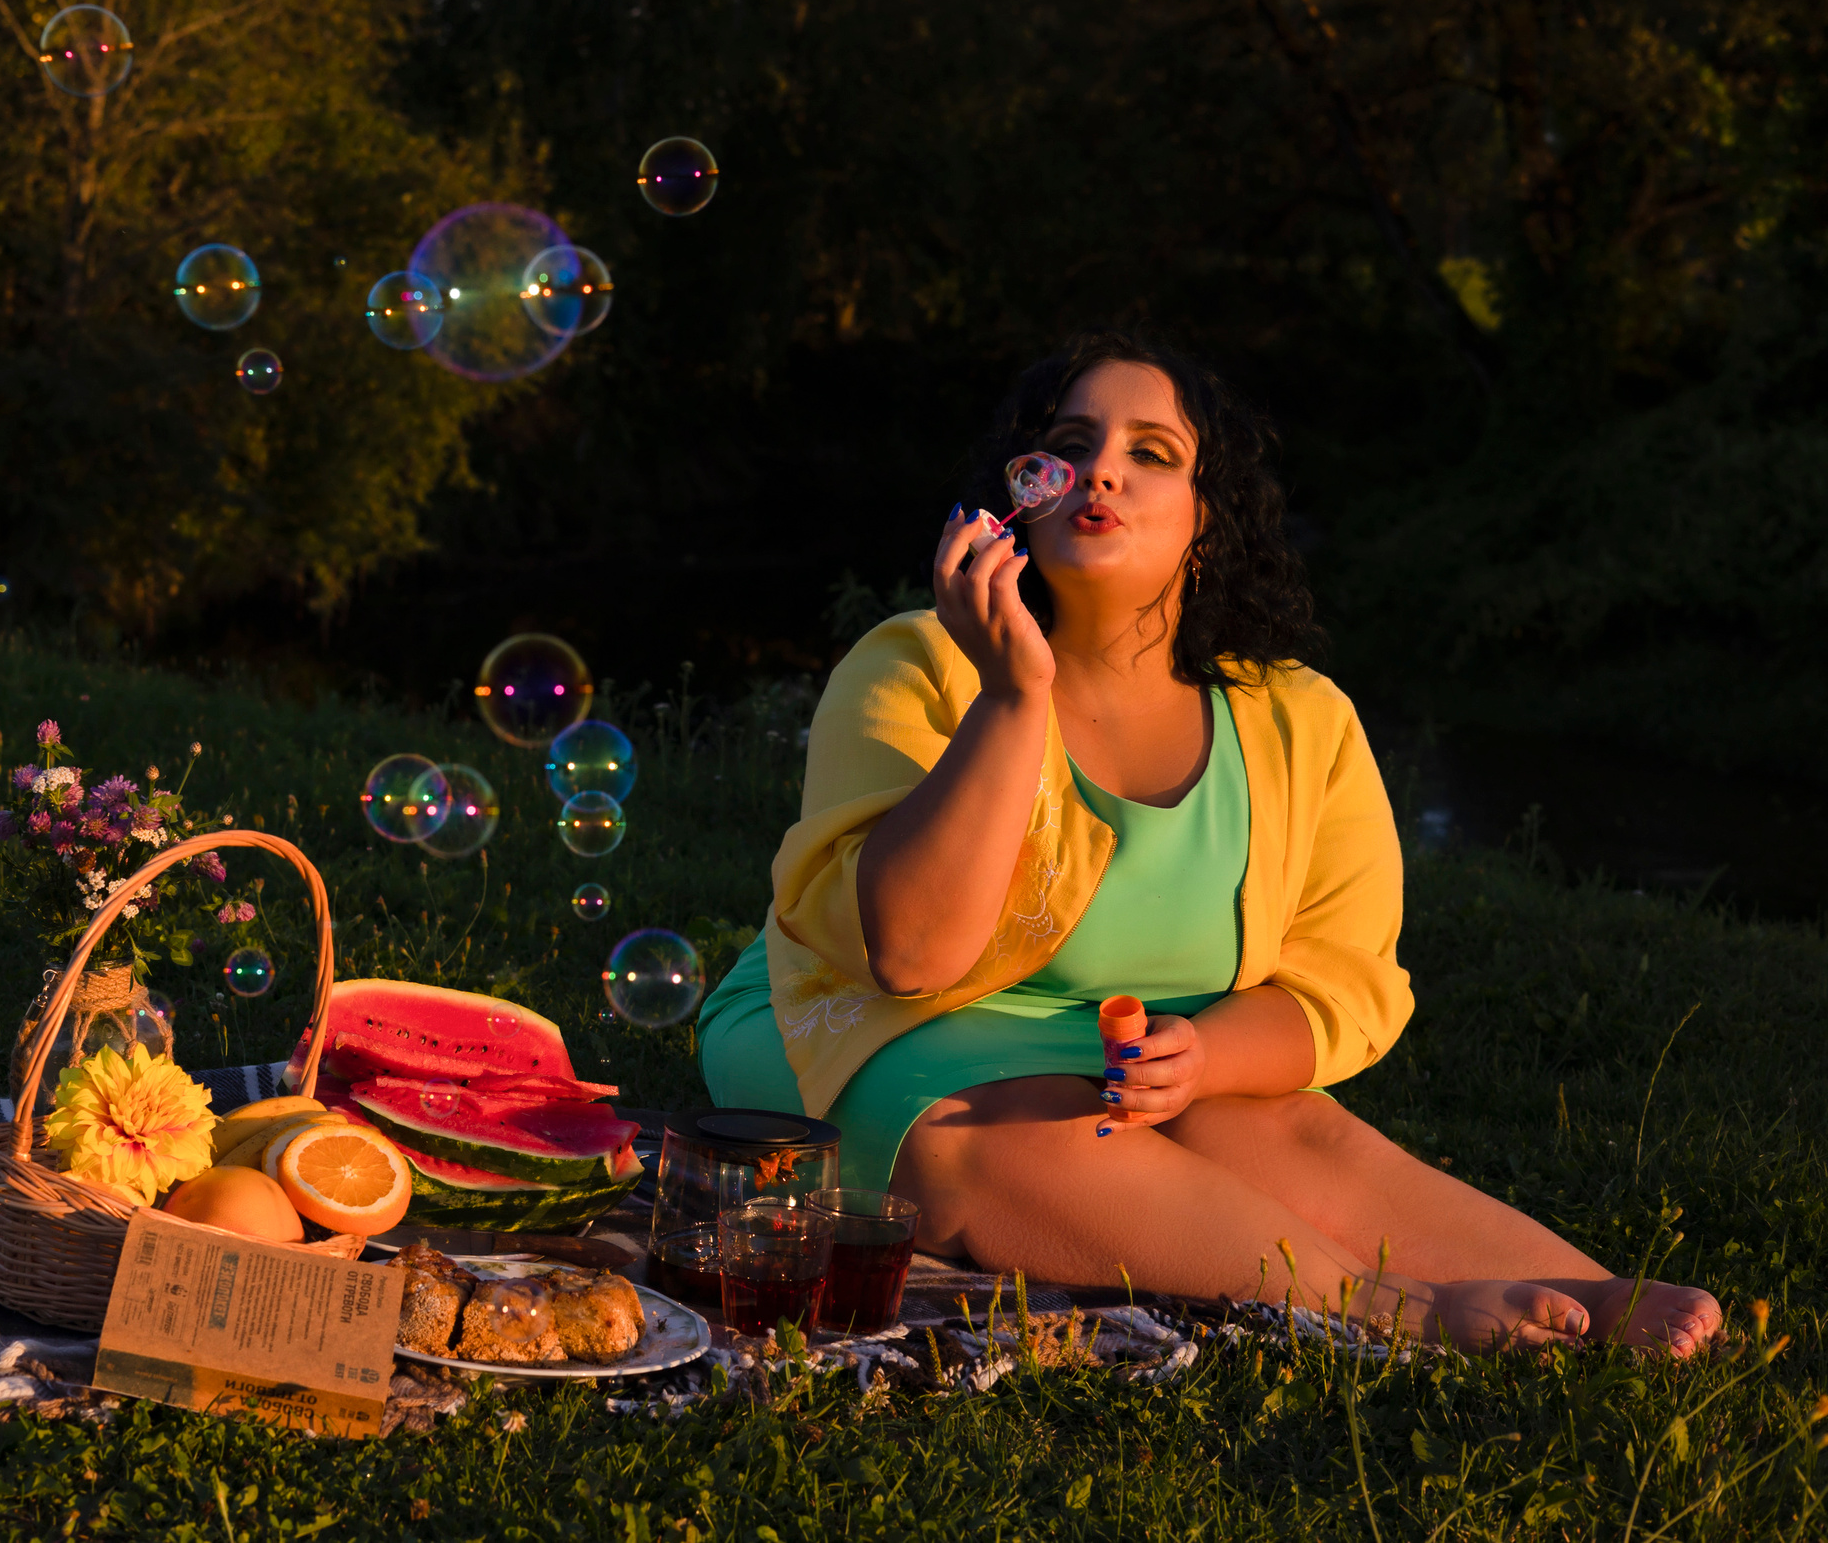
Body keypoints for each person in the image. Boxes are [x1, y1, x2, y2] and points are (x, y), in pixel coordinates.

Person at [697, 331, 1721, 1356]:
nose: (1103, 468)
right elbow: (910, 956)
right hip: (867, 1028)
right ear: (1023, 495)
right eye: (1070, 441)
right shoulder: (917, 663)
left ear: (1206, 516)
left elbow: (1341, 981)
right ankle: (1402, 1310)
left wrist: (1206, 1059)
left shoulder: (1299, 720)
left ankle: (1594, 1293)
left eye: (1151, 452)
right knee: (1012, 1134)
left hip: (1123, 1060)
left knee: (1281, 1126)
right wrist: (1013, 695)